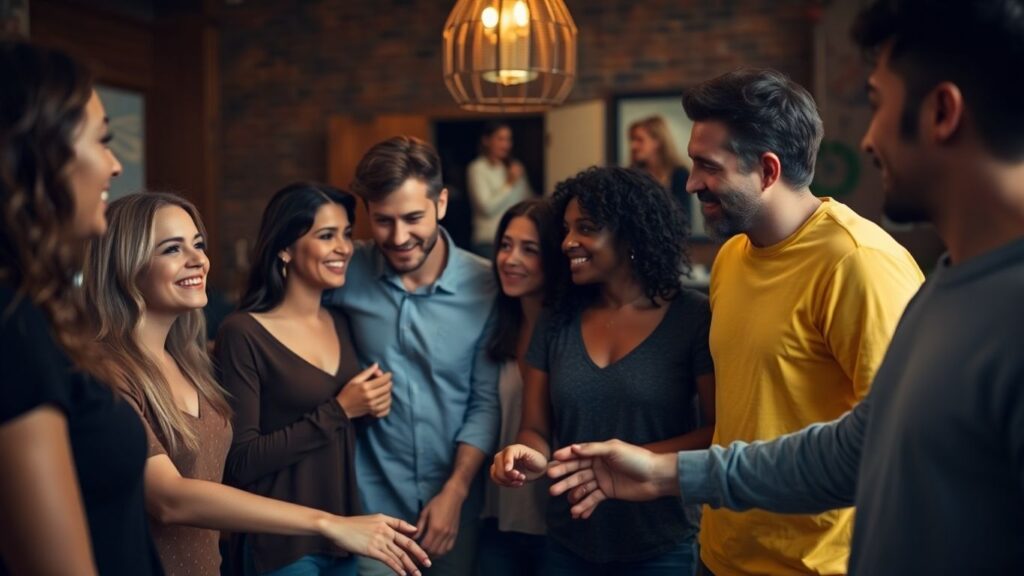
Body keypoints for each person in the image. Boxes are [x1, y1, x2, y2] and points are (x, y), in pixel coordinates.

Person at [546, 0, 1024, 574]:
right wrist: (667, 473)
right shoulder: (946, 284)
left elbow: (894, 464)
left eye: (877, 103)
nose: (867, 138)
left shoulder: (864, 264)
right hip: (720, 555)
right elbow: (858, 444)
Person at [82, 190, 429, 576]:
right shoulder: (106, 373)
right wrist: (326, 522)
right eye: (172, 249)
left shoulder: (190, 366)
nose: (198, 260)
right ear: (125, 264)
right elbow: (170, 498)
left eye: (198, 244)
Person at [665, 68, 928, 575]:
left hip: (815, 566)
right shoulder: (731, 256)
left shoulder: (860, 264)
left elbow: (897, 446)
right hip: (718, 555)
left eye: (708, 166)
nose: (693, 183)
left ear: (768, 170)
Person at [492, 167, 715, 575]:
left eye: (586, 228)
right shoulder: (557, 317)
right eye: (566, 229)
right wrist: (529, 454)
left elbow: (716, 431)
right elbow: (535, 427)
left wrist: (631, 459)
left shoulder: (691, 316)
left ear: (630, 236)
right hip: (568, 543)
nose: (567, 242)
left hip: (660, 544)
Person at [0, 40, 162, 575]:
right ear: (40, 154)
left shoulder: (37, 310)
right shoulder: (13, 326)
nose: (115, 166)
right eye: (103, 140)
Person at [324, 136, 499, 576]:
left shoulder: (486, 285)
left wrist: (455, 492)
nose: (399, 237)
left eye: (413, 218)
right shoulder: (344, 272)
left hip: (454, 506)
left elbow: (484, 402)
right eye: (383, 221)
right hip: (369, 510)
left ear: (441, 203)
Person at [477, 199, 564, 576]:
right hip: (500, 516)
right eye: (505, 245)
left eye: (529, 249)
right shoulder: (496, 322)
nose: (510, 259)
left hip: (559, 522)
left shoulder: (573, 332)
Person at [467, 122, 533, 258]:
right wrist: (509, 183)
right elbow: (486, 208)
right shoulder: (477, 169)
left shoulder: (515, 167)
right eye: (500, 139)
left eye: (508, 139)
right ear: (486, 140)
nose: (506, 145)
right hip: (488, 241)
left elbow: (527, 201)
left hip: (516, 238)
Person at [628, 115, 692, 217]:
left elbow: (684, 216)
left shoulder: (679, 174)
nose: (633, 146)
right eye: (632, 139)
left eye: (640, 140)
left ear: (657, 142)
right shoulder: (631, 175)